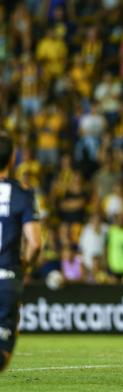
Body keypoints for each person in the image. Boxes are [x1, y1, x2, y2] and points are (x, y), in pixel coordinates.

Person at [0, 132, 41, 372]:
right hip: (6, 279)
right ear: (13, 158)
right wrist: (25, 266)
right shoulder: (22, 193)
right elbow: (35, 243)